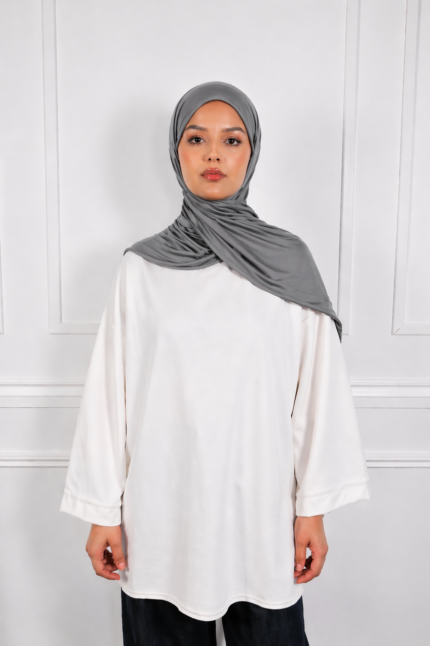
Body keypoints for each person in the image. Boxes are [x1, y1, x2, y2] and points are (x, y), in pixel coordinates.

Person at [60, 81, 371, 645]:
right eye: (196, 138)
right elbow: (110, 398)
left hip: (263, 515)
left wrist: (312, 510)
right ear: (175, 151)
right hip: (161, 513)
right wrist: (102, 511)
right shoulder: (142, 269)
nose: (213, 155)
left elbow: (317, 394)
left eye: (231, 140)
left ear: (252, 151)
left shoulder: (288, 263)